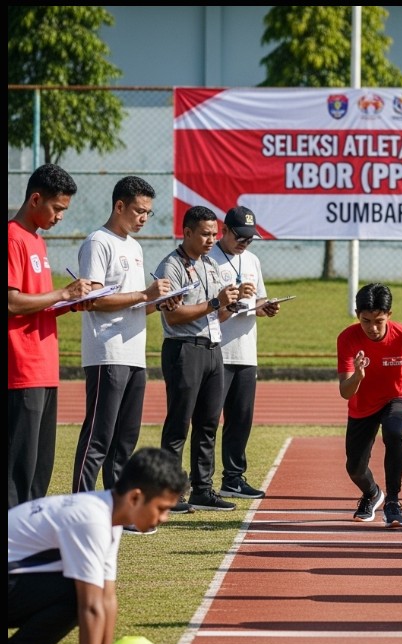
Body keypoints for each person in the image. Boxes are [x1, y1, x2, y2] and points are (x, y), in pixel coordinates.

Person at [8, 447, 188, 644]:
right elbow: (91, 607)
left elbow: (107, 599)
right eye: (162, 508)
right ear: (135, 498)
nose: (165, 518)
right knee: (76, 594)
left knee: (87, 593)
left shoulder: (108, 515)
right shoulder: (91, 519)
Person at [71, 176, 175, 536]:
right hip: (107, 352)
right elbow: (94, 301)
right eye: (138, 211)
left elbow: (134, 305)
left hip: (133, 353)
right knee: (98, 437)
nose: (144, 218)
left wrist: (157, 302)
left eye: (148, 212)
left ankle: (119, 510)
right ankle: (82, 510)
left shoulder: (133, 246)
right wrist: (144, 294)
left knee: (125, 440)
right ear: (119, 206)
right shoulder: (98, 242)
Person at [8, 163, 92, 508]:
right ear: (35, 199)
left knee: (40, 465)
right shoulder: (13, 238)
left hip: (44, 367)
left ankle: (29, 534)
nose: (60, 217)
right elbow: (12, 301)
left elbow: (38, 303)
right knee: (18, 467)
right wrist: (63, 294)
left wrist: (74, 303)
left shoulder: (37, 242)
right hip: (21, 368)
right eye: (57, 208)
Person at [155, 205, 241, 513]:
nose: (211, 240)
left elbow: (217, 312)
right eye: (205, 234)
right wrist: (215, 303)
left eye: (214, 234)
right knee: (179, 423)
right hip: (183, 348)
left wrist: (233, 302)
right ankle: (169, 492)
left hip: (212, 348)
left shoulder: (210, 265)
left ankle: (202, 489)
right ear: (187, 232)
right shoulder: (171, 266)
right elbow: (174, 315)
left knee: (208, 423)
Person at [337, 282, 402, 529]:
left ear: (389, 315)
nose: (372, 328)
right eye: (366, 320)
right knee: (355, 468)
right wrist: (357, 375)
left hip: (396, 397)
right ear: (358, 316)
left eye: (379, 320)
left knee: (393, 433)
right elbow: (345, 392)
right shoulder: (347, 338)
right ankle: (372, 494)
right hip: (362, 405)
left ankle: (393, 501)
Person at [209, 205, 280, 500]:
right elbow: (204, 303)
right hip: (216, 349)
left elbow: (258, 299)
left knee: (241, 419)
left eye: (250, 239)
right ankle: (201, 482)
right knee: (209, 420)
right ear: (224, 230)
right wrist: (227, 300)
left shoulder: (251, 259)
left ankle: (233, 479)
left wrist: (266, 307)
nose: (244, 243)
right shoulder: (208, 258)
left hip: (246, 351)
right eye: (240, 237)